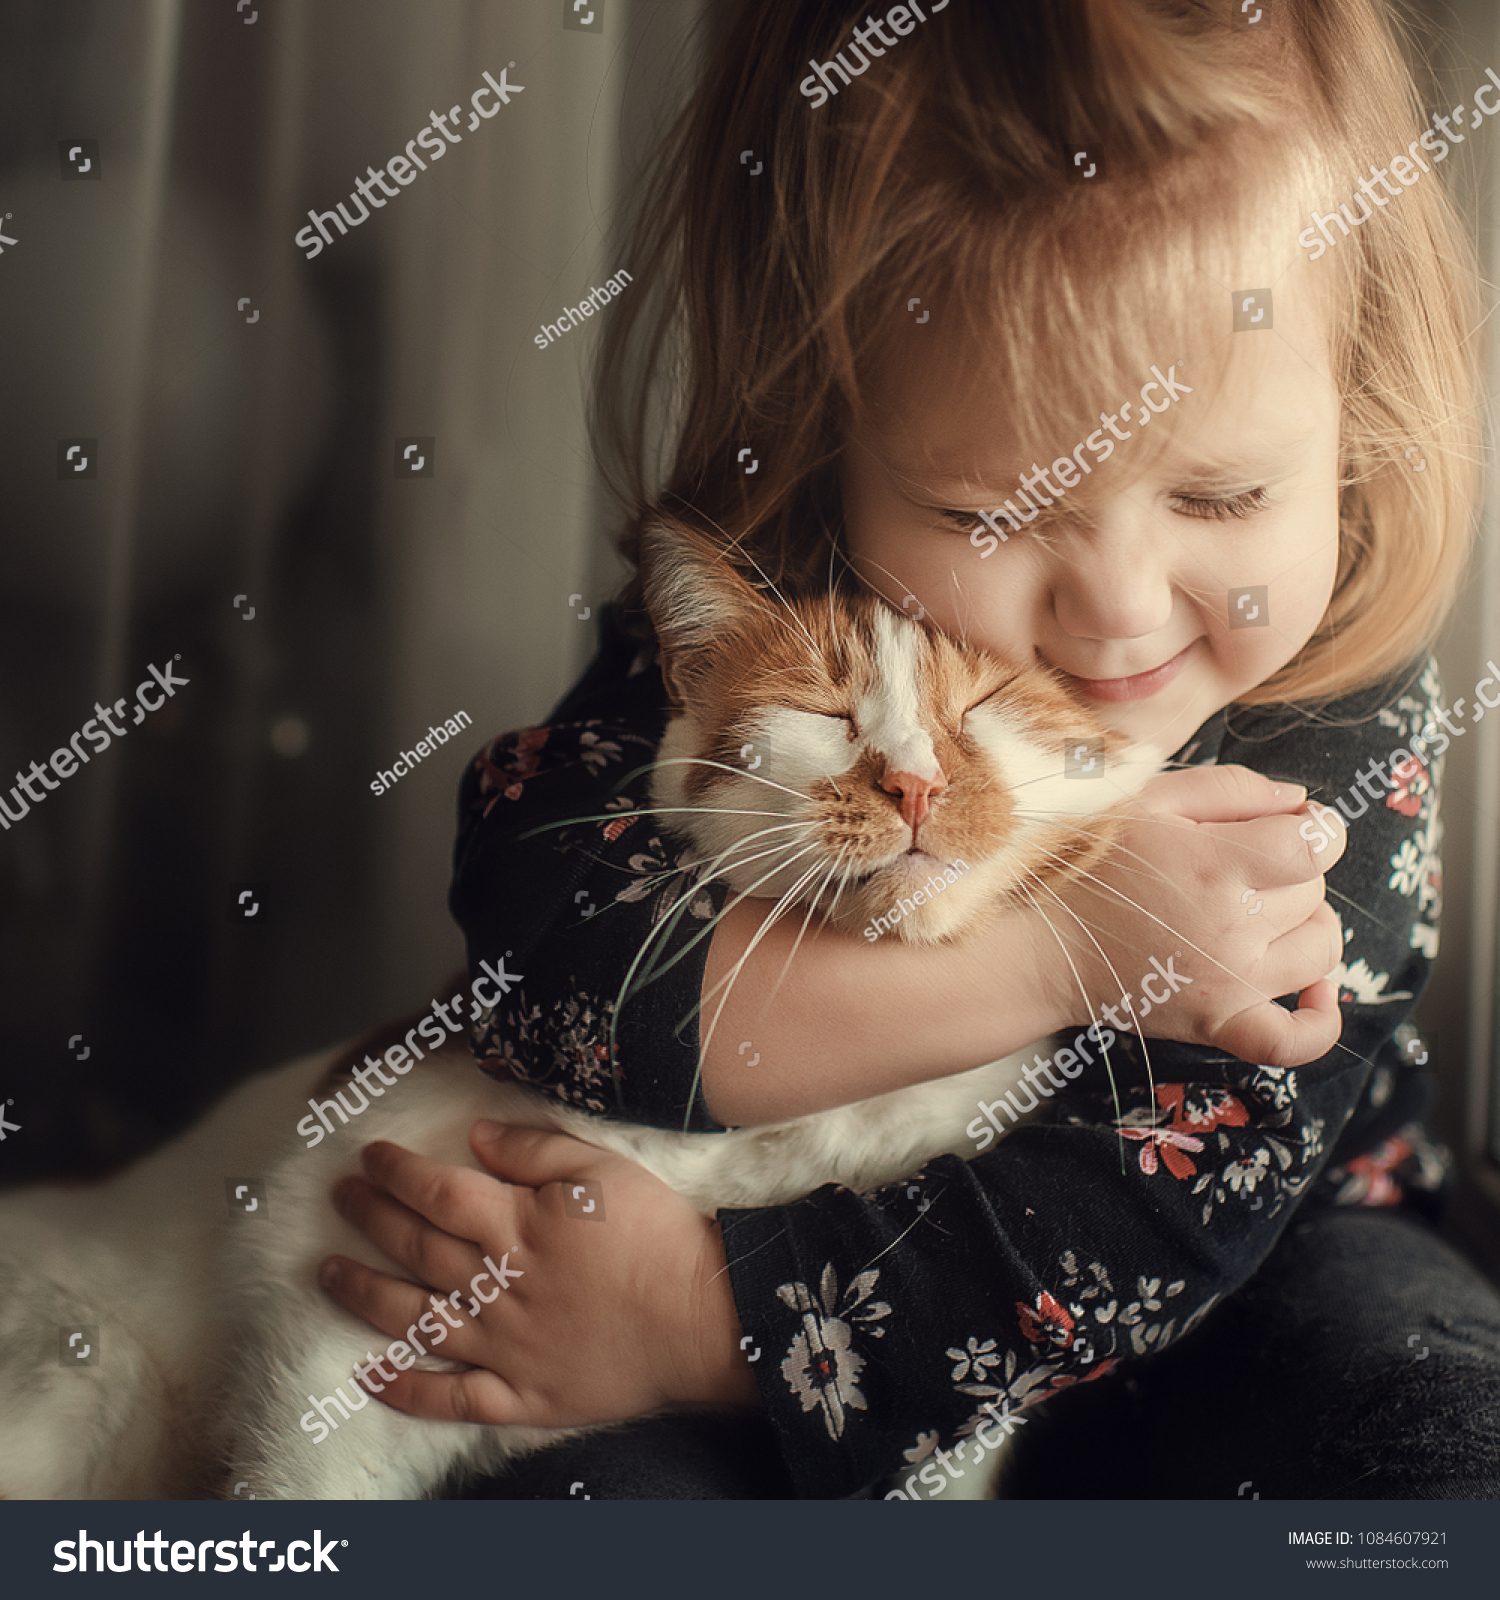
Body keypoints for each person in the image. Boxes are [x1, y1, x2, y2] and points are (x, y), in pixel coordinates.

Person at [315, 0, 1500, 1498]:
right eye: (991, 513)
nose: (1118, 613)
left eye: (1220, 500)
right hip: (776, 1219)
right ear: (828, 435)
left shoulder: (1341, 704)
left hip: (1265, 1282)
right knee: (576, 1508)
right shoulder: (786, 623)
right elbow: (546, 968)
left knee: (1445, 1457)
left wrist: (717, 1329)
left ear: (1358, 428)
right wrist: (1050, 954)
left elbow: (1195, 1192)